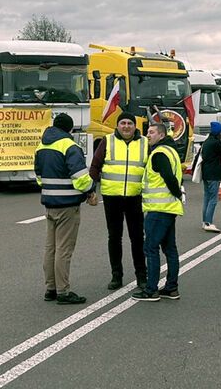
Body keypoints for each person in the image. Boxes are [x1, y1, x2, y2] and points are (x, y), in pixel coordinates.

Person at [34, 113, 96, 305]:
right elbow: (80, 177)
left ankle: (50, 288)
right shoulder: (70, 146)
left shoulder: (42, 145)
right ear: (70, 129)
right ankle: (63, 291)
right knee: (64, 249)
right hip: (67, 204)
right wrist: (91, 191)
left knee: (50, 248)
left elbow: (38, 175)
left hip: (49, 202)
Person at [89, 112, 148, 290]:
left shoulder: (145, 143)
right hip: (112, 198)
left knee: (137, 238)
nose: (126, 126)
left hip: (136, 197)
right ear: (117, 125)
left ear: (135, 126)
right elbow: (95, 166)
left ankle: (141, 276)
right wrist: (91, 190)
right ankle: (116, 276)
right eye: (122, 123)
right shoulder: (107, 141)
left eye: (130, 123)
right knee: (114, 238)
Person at [132, 123, 184, 301]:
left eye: (152, 132)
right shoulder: (171, 152)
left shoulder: (159, 153)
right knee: (170, 249)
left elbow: (169, 177)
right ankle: (171, 288)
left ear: (161, 135)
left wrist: (176, 192)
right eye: (148, 132)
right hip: (169, 208)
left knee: (151, 248)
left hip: (158, 209)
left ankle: (151, 289)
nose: (148, 135)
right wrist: (177, 195)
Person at [201, 121, 221, 232]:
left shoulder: (207, 142)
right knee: (213, 199)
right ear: (218, 132)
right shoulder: (216, 143)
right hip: (214, 173)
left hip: (206, 173)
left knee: (207, 198)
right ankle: (209, 222)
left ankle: (204, 221)